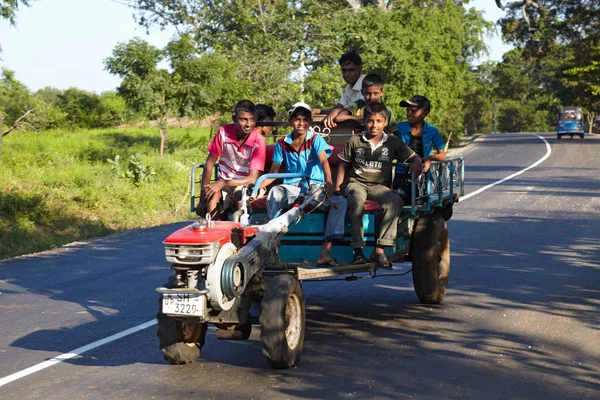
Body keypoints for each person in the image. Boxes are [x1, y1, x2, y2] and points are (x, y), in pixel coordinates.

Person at [335, 102, 422, 269]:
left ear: (385, 122)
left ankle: (379, 249)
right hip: (356, 183)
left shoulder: (393, 143)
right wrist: (339, 187)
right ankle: (358, 251)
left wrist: (417, 166)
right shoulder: (354, 141)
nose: (374, 125)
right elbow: (342, 165)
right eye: (370, 121)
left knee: (394, 201)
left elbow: (415, 158)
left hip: (379, 186)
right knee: (355, 200)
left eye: (378, 121)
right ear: (365, 122)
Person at [260, 102, 348, 267]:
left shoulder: (316, 139)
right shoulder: (282, 144)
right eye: (297, 119)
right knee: (275, 193)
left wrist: (329, 181)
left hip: (314, 188)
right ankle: (273, 244)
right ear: (290, 121)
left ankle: (325, 252)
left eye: (304, 119)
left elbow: (324, 162)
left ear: (309, 122)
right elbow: (274, 171)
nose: (300, 123)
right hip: (292, 187)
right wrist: (257, 186)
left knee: (340, 202)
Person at [197, 99, 266, 219]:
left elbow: (252, 178)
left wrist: (223, 182)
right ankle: (216, 230)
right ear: (234, 119)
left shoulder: (258, 140)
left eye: (252, 119)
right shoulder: (224, 132)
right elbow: (209, 164)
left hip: (246, 184)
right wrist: (202, 199)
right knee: (212, 194)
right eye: (243, 119)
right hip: (225, 182)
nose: (248, 124)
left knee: (239, 195)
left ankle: (239, 233)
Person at [394, 95, 446, 204]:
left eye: (413, 111)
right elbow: (391, 146)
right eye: (407, 110)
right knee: (399, 204)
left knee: (420, 206)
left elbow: (442, 155)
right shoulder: (400, 127)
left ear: (425, 113)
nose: (409, 113)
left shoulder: (432, 130)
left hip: (422, 175)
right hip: (402, 174)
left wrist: (428, 158)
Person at [330, 73, 398, 134]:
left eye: (375, 93)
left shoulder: (387, 110)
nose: (371, 97)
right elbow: (338, 118)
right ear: (362, 92)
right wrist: (363, 118)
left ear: (382, 92)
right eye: (368, 94)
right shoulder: (358, 105)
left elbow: (392, 133)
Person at [315, 51, 365, 128]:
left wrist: (336, 112)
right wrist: (319, 111)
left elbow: (369, 115)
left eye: (351, 70)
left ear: (360, 69)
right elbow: (340, 106)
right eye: (344, 70)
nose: (347, 75)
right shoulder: (350, 87)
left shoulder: (366, 86)